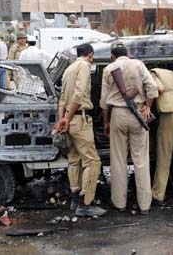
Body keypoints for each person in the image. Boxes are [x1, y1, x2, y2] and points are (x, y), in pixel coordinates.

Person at [100, 42, 158, 214]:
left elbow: (103, 101)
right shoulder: (138, 64)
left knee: (118, 161)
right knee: (141, 161)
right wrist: (147, 107)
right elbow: (153, 88)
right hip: (139, 114)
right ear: (128, 54)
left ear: (113, 56)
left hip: (117, 114)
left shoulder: (109, 68)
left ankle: (119, 203)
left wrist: (106, 122)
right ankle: (145, 205)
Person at [53, 43, 107, 217]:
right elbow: (79, 93)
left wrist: (63, 119)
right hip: (81, 119)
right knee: (92, 161)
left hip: (70, 121)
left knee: (74, 160)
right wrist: (67, 119)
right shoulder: (84, 66)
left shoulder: (69, 69)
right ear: (90, 55)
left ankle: (75, 201)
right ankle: (86, 203)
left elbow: (62, 98)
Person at [150, 68, 173, 204]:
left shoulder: (154, 73)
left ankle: (158, 194)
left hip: (168, 113)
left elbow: (157, 88)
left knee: (164, 155)